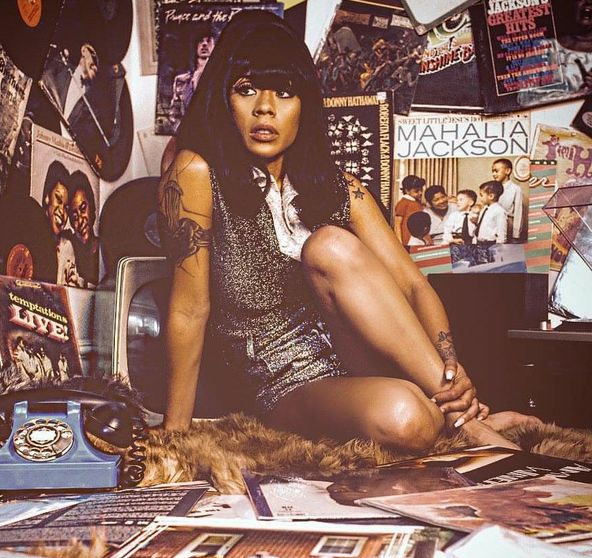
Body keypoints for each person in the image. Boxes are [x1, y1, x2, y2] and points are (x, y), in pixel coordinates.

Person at [159, 12, 520, 454]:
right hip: (284, 383)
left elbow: (413, 285)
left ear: (305, 104)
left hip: (365, 361)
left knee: (329, 245)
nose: (265, 108)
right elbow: (188, 310)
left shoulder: (339, 187)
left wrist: (451, 371)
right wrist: (174, 435)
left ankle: (462, 415)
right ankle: (464, 419)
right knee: (406, 418)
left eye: (285, 92)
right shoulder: (196, 173)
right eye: (247, 89)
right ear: (224, 98)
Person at [169, 32, 216, 129]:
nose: (204, 44)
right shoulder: (181, 80)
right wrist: (182, 131)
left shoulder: (221, 78)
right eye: (200, 41)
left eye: (208, 41)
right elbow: (174, 112)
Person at [68, 170, 101, 285]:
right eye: (74, 215)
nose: (80, 220)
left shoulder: (105, 249)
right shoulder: (69, 252)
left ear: (92, 207)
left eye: (83, 209)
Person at [491, 159, 525, 243]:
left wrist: (515, 235)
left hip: (507, 226)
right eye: (492, 171)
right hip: (493, 227)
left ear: (507, 171)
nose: (493, 174)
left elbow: (518, 212)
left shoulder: (516, 189)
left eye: (496, 171)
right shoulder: (491, 188)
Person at [393, 174, 425, 246]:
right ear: (407, 191)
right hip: (408, 238)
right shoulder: (403, 203)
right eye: (416, 191)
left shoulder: (417, 202)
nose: (420, 193)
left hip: (419, 237)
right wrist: (399, 242)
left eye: (421, 190)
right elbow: (397, 224)